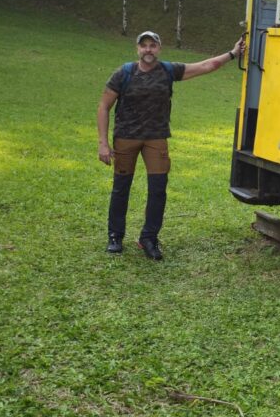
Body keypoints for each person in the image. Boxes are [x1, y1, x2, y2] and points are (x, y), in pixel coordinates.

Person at [97, 29, 245, 260]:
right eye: (144, 45)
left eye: (152, 45)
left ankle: (149, 238)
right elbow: (103, 107)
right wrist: (103, 143)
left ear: (159, 48)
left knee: (158, 189)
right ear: (138, 49)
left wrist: (233, 53)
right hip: (126, 138)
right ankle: (115, 236)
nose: (148, 49)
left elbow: (206, 66)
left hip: (156, 138)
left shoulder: (168, 70)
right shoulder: (124, 73)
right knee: (121, 188)